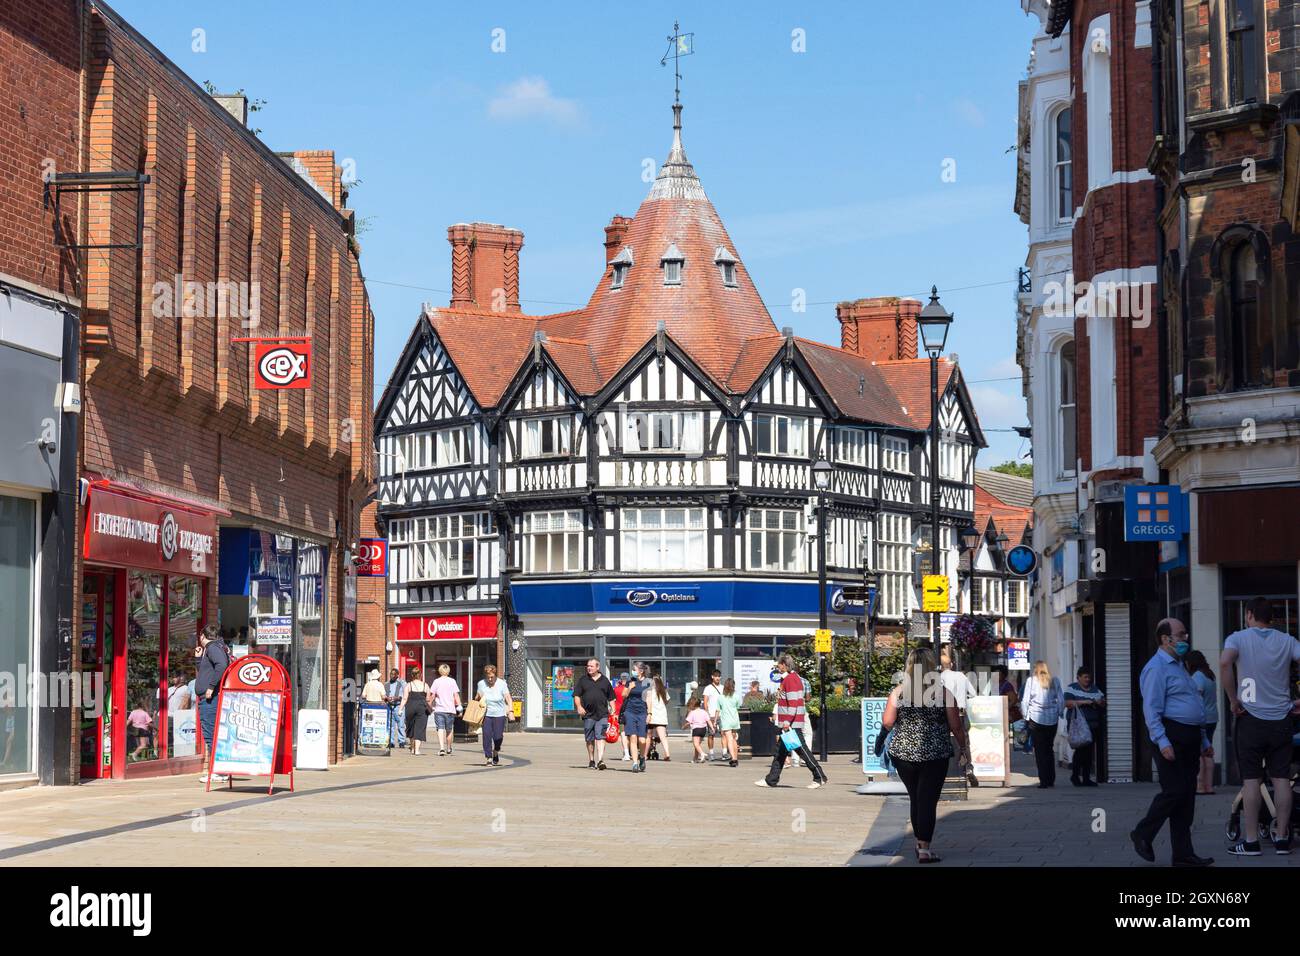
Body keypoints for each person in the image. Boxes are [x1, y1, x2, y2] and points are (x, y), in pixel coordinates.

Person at [1130, 618, 1214, 866]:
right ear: (1166, 639)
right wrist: (1163, 742)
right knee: (1175, 791)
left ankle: (1183, 854)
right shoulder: (1156, 668)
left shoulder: (1179, 666)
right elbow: (1151, 709)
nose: (1185, 639)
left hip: (1189, 737)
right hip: (1171, 736)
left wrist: (1203, 739)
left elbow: (1194, 706)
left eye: (1185, 634)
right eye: (1181, 635)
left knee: (1187, 797)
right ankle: (1143, 833)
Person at [1220, 597, 1300, 856]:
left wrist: (1233, 700)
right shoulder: (1288, 641)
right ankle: (1281, 839)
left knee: (1252, 781)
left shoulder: (1238, 638)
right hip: (1281, 720)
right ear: (1273, 618)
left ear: (1250, 614)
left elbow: (1224, 662)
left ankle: (1252, 841)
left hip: (1251, 719)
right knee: (1282, 780)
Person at [882, 647, 968, 863]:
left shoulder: (899, 692)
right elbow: (956, 726)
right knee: (928, 800)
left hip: (903, 754)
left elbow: (887, 722)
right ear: (932, 666)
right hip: (935, 753)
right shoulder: (943, 692)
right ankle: (924, 849)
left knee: (916, 798)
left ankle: (920, 844)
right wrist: (963, 748)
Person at [755, 655, 827, 789]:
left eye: (779, 665)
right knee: (780, 753)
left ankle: (819, 776)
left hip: (792, 723)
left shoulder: (791, 679)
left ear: (784, 665)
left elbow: (793, 702)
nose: (778, 667)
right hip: (789, 723)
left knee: (802, 750)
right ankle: (771, 779)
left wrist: (787, 721)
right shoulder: (790, 679)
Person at [195, 623, 230, 784]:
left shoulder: (213, 648)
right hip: (210, 697)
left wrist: (210, 687)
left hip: (211, 699)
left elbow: (221, 665)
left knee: (211, 734)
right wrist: (198, 659)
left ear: (203, 636)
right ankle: (220, 771)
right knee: (213, 733)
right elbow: (206, 672)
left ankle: (218, 771)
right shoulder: (216, 647)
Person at [1021, 660, 1064, 788]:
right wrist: (1059, 713)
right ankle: (1051, 779)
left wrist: (1026, 716)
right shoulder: (1055, 680)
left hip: (1036, 719)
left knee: (1040, 751)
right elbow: (1061, 699)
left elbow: (1025, 700)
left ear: (1036, 669)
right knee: (1049, 749)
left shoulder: (1031, 681)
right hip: (1052, 720)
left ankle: (1044, 780)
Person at [1064, 667, 1105, 786]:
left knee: (1088, 752)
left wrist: (1100, 702)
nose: (1088, 679)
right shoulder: (1072, 688)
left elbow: (1103, 701)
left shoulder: (1094, 688)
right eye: (1085, 677)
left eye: (1089, 677)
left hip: (1093, 725)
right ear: (1078, 678)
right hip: (1078, 726)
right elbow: (1067, 703)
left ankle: (1085, 777)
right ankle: (1076, 776)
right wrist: (1085, 702)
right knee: (1081, 751)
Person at [1184, 651, 1218, 795]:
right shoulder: (1210, 675)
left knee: (1199, 753)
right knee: (1208, 752)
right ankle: (1209, 787)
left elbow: (1196, 698)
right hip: (1213, 718)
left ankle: (1199, 786)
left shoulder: (1197, 676)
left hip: (1201, 719)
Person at [573, 658, 615, 770]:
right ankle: (591, 760)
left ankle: (601, 760)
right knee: (589, 739)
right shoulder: (583, 680)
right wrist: (579, 706)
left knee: (601, 737)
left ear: (597, 667)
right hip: (588, 715)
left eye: (591, 666)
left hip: (602, 714)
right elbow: (576, 695)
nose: (589, 668)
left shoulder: (605, 681)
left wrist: (613, 709)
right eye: (588, 666)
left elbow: (611, 698)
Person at [474, 664, 514, 766]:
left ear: (495, 675)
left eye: (492, 677)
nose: (490, 679)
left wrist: (511, 710)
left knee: (498, 737)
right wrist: (477, 699)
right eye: (488, 677)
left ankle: (496, 751)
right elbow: (478, 697)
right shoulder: (481, 684)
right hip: (486, 714)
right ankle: (488, 757)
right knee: (486, 735)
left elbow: (508, 698)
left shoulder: (502, 684)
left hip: (499, 714)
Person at [622, 663, 652, 773]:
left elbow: (649, 699)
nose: (632, 671)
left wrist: (650, 713)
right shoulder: (630, 681)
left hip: (642, 712)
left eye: (634, 669)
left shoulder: (647, 682)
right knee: (633, 738)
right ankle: (635, 763)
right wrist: (629, 688)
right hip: (630, 712)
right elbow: (623, 695)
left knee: (642, 740)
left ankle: (642, 758)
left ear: (641, 671)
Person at [430, 664, 462, 756]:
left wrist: (428, 705)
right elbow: (456, 695)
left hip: (439, 709)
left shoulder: (436, 681)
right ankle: (448, 748)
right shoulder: (452, 681)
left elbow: (432, 695)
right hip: (450, 709)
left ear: (440, 671)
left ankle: (441, 748)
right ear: (448, 671)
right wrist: (459, 706)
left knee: (440, 728)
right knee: (449, 729)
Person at [401, 667, 430, 756]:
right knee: (419, 729)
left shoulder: (409, 685)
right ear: (420, 675)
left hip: (410, 707)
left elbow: (405, 698)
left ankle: (412, 748)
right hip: (422, 708)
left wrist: (400, 709)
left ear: (412, 675)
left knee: (411, 728)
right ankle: (417, 750)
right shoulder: (425, 685)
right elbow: (428, 699)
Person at [645, 674, 672, 763]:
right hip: (661, 716)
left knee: (648, 736)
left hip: (652, 716)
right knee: (663, 737)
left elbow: (647, 702)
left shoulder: (649, 691)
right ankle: (667, 753)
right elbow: (667, 701)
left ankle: (644, 754)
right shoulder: (663, 690)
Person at [716, 677, 743, 767]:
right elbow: (738, 706)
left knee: (729, 739)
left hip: (726, 720)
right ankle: (736, 757)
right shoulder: (736, 696)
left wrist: (715, 720)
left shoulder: (720, 697)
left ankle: (733, 759)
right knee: (734, 739)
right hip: (735, 719)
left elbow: (718, 710)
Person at [701, 670, 723, 761]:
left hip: (722, 715)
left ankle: (724, 753)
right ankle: (711, 753)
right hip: (712, 715)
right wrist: (707, 714)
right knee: (711, 735)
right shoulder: (708, 688)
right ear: (712, 677)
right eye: (716, 676)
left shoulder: (723, 688)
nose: (717, 678)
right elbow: (705, 702)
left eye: (719, 676)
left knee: (723, 734)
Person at [684, 696, 714, 762]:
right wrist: (712, 728)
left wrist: (684, 727)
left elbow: (688, 722)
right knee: (697, 745)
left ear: (692, 705)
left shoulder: (692, 712)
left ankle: (702, 754)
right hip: (703, 730)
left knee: (696, 744)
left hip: (696, 729)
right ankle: (695, 758)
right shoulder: (704, 712)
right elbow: (708, 720)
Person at [386, 667, 408, 750]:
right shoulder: (387, 684)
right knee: (390, 726)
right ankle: (391, 742)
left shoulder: (401, 683)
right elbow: (384, 695)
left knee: (401, 725)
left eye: (394, 674)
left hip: (399, 706)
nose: (392, 676)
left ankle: (401, 741)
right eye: (391, 674)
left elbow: (404, 696)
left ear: (397, 675)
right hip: (389, 706)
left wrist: (396, 698)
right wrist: (387, 698)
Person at [613, 672, 633, 761]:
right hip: (631, 713)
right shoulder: (632, 688)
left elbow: (613, 701)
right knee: (632, 734)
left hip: (619, 714)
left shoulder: (616, 689)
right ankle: (633, 751)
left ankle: (626, 753)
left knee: (623, 733)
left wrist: (614, 714)